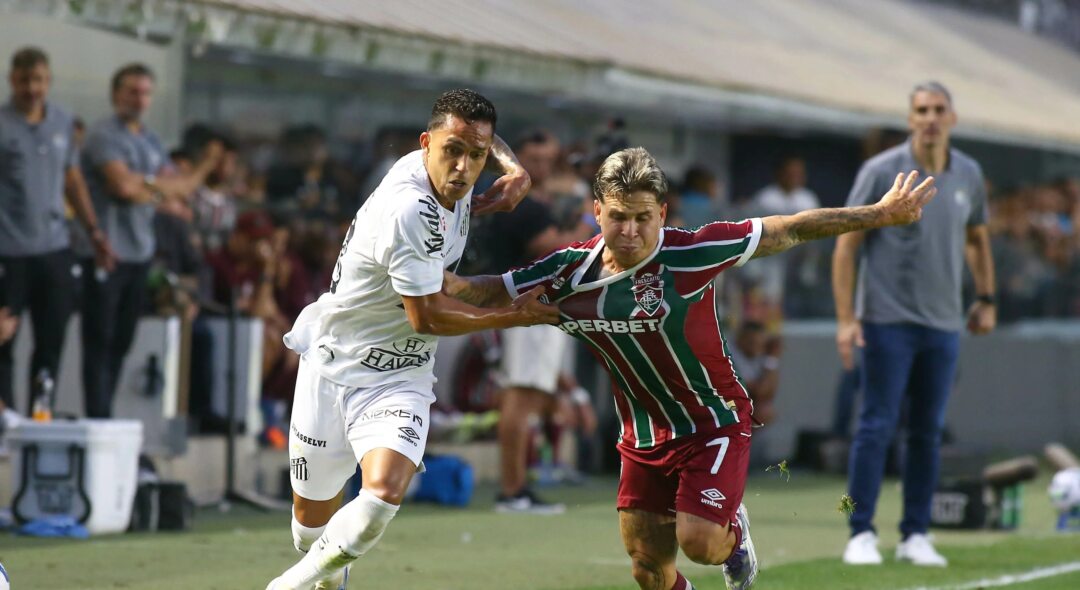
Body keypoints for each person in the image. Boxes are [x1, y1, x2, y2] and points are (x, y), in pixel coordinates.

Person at [445, 146, 936, 590]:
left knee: (699, 541)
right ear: (596, 212)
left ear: (662, 213)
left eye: (643, 217)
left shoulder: (689, 253)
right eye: (618, 217)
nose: (631, 231)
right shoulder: (568, 272)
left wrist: (876, 214)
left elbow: (792, 228)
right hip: (641, 437)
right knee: (648, 565)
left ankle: (734, 531)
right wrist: (430, 278)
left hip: (712, 422)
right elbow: (491, 289)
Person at [265, 89, 556, 590]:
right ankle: (319, 577)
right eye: (453, 152)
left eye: (477, 155)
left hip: (400, 374)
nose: (464, 168)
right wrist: (514, 316)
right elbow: (427, 318)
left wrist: (515, 168)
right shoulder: (410, 209)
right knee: (310, 534)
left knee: (380, 496)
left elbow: (471, 130)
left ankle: (282, 587)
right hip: (333, 365)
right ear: (426, 145)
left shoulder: (455, 171)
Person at [832, 81, 996, 567]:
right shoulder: (880, 170)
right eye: (921, 109)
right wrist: (845, 319)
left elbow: (978, 238)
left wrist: (985, 298)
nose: (930, 117)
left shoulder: (968, 172)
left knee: (928, 430)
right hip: (887, 321)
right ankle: (859, 532)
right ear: (909, 119)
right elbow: (847, 242)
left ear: (953, 118)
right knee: (874, 426)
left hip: (945, 324)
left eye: (938, 109)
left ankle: (915, 534)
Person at [80, 62, 222, 418]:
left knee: (122, 342)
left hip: (139, 253)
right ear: (116, 94)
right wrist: (155, 190)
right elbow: (122, 187)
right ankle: (97, 419)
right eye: (132, 91)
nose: (139, 99)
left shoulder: (151, 139)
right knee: (100, 341)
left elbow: (180, 190)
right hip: (106, 251)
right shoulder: (104, 136)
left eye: (145, 92)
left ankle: (108, 418)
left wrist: (151, 187)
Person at [0, 47, 115, 412]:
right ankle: (5, 421)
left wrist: (94, 231)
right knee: (4, 340)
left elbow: (73, 179)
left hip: (53, 248)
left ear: (48, 82)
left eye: (38, 80)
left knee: (51, 341)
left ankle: (40, 415)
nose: (32, 89)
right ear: (11, 80)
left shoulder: (62, 122)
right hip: (9, 250)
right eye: (24, 81)